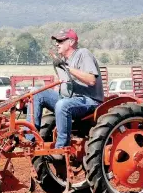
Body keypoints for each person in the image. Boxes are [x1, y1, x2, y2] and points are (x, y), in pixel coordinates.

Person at [25, 28, 104, 161]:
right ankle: (29, 138)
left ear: (71, 42)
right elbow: (61, 84)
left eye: (61, 40)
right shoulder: (61, 60)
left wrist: (67, 68)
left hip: (89, 100)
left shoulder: (83, 54)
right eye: (56, 41)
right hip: (68, 99)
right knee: (36, 93)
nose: (57, 44)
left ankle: (61, 147)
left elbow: (91, 80)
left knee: (63, 105)